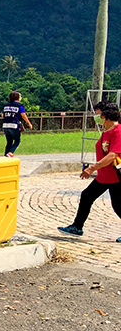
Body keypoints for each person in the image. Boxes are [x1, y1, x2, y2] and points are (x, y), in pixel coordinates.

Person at [58, 102, 121, 241]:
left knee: (118, 206)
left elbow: (112, 155)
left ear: (106, 116)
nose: (96, 117)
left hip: (116, 177)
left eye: (98, 114)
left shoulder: (118, 131)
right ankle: (77, 227)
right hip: (104, 176)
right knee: (86, 196)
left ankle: (77, 226)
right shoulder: (106, 131)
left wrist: (92, 167)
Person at [2, 90, 32, 157]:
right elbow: (23, 115)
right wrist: (29, 123)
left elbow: (2, 115)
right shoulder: (19, 106)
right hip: (14, 125)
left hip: (5, 125)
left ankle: (6, 155)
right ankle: (10, 152)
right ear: (18, 97)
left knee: (9, 141)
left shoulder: (6, 105)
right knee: (17, 141)